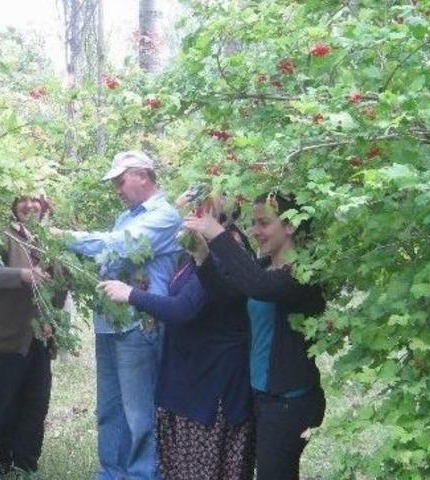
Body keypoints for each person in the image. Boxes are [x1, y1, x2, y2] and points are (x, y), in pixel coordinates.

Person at [98, 201, 256, 480]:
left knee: (203, 469)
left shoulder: (226, 249)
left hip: (211, 382)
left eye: (201, 206)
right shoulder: (196, 247)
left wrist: (131, 294)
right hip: (189, 374)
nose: (191, 211)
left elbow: (185, 308)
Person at [55, 150, 182, 480]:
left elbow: (121, 248)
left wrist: (66, 238)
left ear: (143, 175)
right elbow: (108, 262)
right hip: (110, 324)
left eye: (120, 180)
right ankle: (110, 473)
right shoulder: (126, 217)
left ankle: (142, 475)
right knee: (109, 411)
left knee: (140, 415)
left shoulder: (165, 215)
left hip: (140, 325)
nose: (116, 189)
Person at [184, 192, 326, 480]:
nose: (255, 231)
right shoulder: (264, 268)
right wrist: (202, 258)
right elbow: (227, 295)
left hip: (289, 402)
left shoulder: (303, 275)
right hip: (262, 397)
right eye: (253, 223)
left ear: (290, 226)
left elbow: (259, 286)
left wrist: (217, 233)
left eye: (264, 223)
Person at [0, 194, 64, 477]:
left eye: (37, 200)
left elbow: (59, 287)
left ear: (46, 205)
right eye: (23, 199)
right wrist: (23, 274)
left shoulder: (50, 241)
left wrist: (52, 324)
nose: (30, 205)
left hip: (36, 342)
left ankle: (25, 469)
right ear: (12, 203)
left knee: (34, 409)